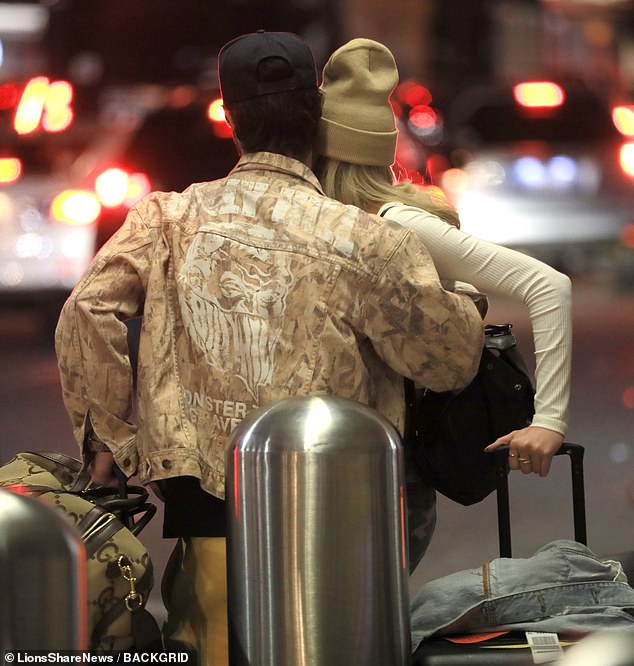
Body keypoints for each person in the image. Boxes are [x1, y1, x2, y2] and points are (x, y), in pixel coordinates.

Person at [55, 31, 484, 665]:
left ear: (230, 120)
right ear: (317, 116)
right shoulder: (365, 239)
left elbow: (87, 311)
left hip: (206, 502)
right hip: (341, 507)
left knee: (215, 644)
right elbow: (446, 363)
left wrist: (114, 443)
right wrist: (467, 307)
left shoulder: (165, 220)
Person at [314, 39, 572, 480]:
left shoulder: (399, 223)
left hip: (397, 468)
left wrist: (549, 421)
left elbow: (548, 285)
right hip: (343, 454)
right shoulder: (319, 222)